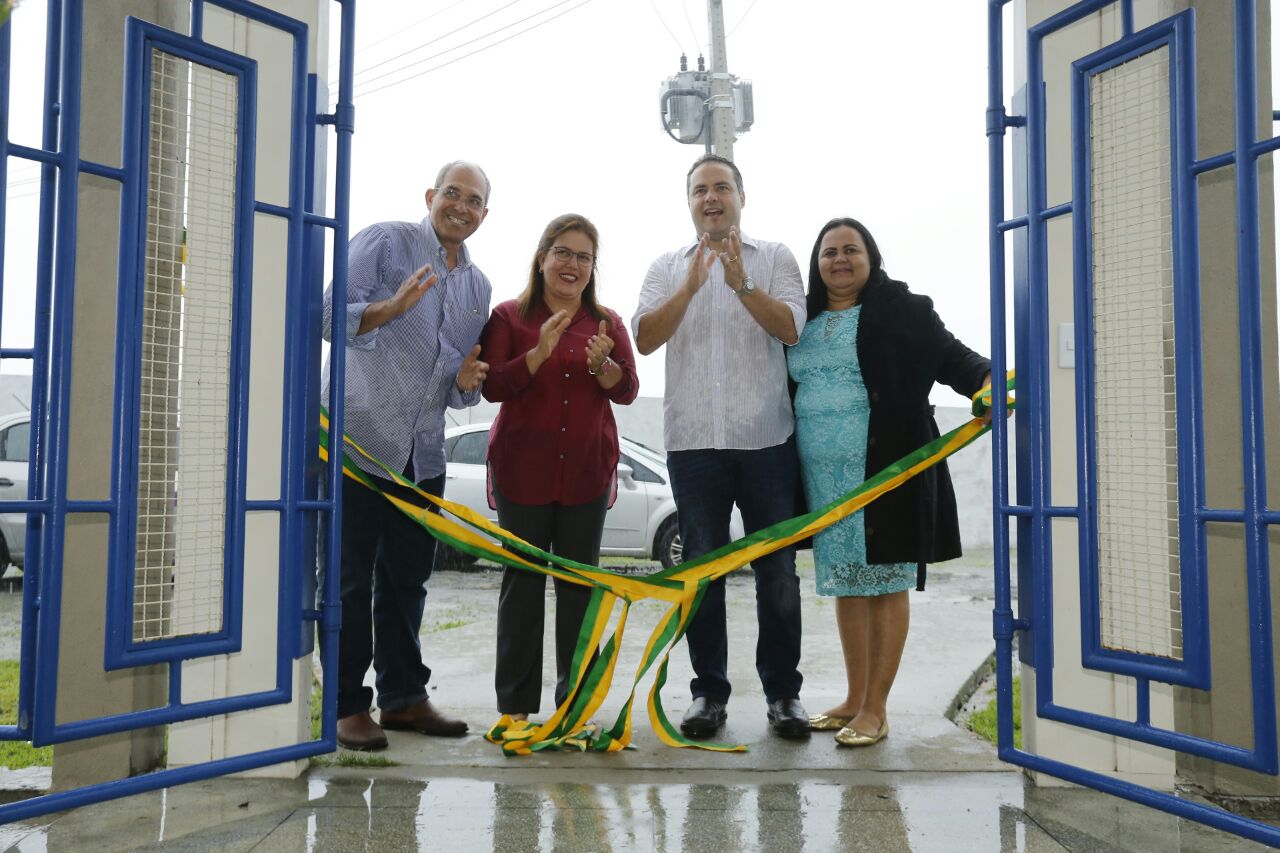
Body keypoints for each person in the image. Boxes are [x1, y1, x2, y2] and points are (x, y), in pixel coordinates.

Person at [790, 217, 990, 747]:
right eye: (829, 251)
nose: (839, 259)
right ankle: (853, 699)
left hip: (886, 473)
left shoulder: (904, 310)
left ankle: (876, 710)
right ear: (816, 263)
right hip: (825, 481)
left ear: (871, 257)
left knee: (885, 582)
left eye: (850, 249)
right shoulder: (801, 318)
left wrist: (988, 382)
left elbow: (955, 358)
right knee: (848, 583)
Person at [633, 154, 810, 740]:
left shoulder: (775, 257)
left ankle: (783, 694)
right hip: (693, 446)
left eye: (722, 187)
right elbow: (645, 338)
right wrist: (690, 287)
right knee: (701, 571)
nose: (711, 198)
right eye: (700, 190)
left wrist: (742, 285)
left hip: (766, 442)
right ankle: (708, 694)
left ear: (741, 196)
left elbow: (792, 328)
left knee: (777, 572)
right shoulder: (666, 266)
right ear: (689, 202)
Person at [322, 161, 493, 750]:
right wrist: (391, 309)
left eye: (473, 200)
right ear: (430, 196)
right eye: (452, 193)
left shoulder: (478, 287)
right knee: (347, 581)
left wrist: (466, 384)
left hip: (422, 456)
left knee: (407, 581)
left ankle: (403, 698)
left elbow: (455, 387)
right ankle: (345, 705)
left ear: (484, 214)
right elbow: (328, 316)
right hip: (356, 443)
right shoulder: (384, 242)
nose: (461, 207)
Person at [479, 213, 638, 720]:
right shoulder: (509, 317)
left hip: (586, 474)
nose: (573, 264)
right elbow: (492, 386)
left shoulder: (607, 322)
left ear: (593, 267)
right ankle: (515, 709)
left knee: (579, 588)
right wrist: (537, 353)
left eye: (584, 256)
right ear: (542, 258)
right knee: (523, 585)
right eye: (563, 252)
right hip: (521, 473)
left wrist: (602, 366)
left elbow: (628, 390)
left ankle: (575, 707)